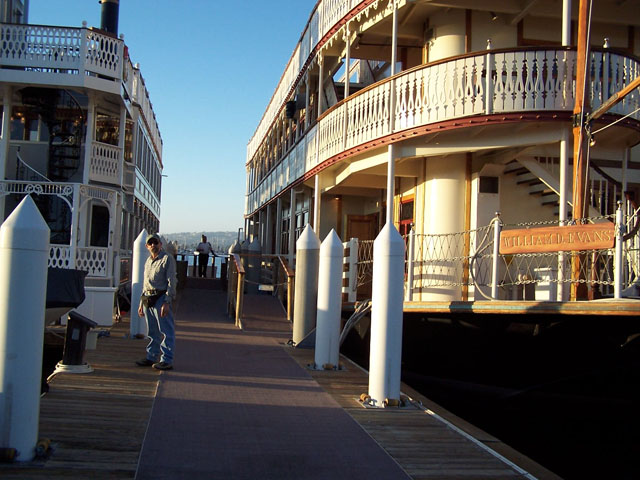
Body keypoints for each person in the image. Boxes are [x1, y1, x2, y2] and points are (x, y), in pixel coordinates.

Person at [136, 233, 177, 370]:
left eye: (156, 242)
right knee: (152, 331)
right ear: (147, 246)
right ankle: (151, 356)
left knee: (166, 330)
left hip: (160, 298)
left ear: (160, 244)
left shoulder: (167, 259)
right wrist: (141, 303)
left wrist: (167, 301)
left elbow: (172, 281)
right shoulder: (148, 261)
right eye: (150, 243)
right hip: (148, 298)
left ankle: (167, 359)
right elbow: (145, 283)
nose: (153, 245)